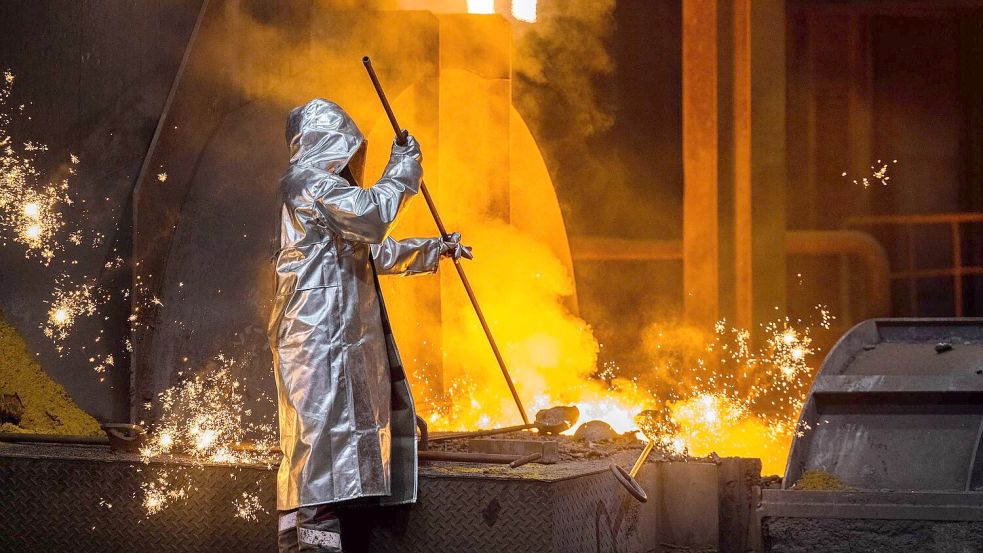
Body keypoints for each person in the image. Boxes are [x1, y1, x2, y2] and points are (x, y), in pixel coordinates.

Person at [268, 98, 471, 553]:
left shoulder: (326, 196)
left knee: (330, 452)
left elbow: (375, 252)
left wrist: (435, 249)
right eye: (347, 149)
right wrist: (403, 169)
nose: (352, 160)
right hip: (314, 339)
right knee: (315, 453)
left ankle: (320, 544)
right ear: (327, 144)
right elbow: (374, 215)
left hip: (335, 339)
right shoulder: (305, 183)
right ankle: (305, 548)